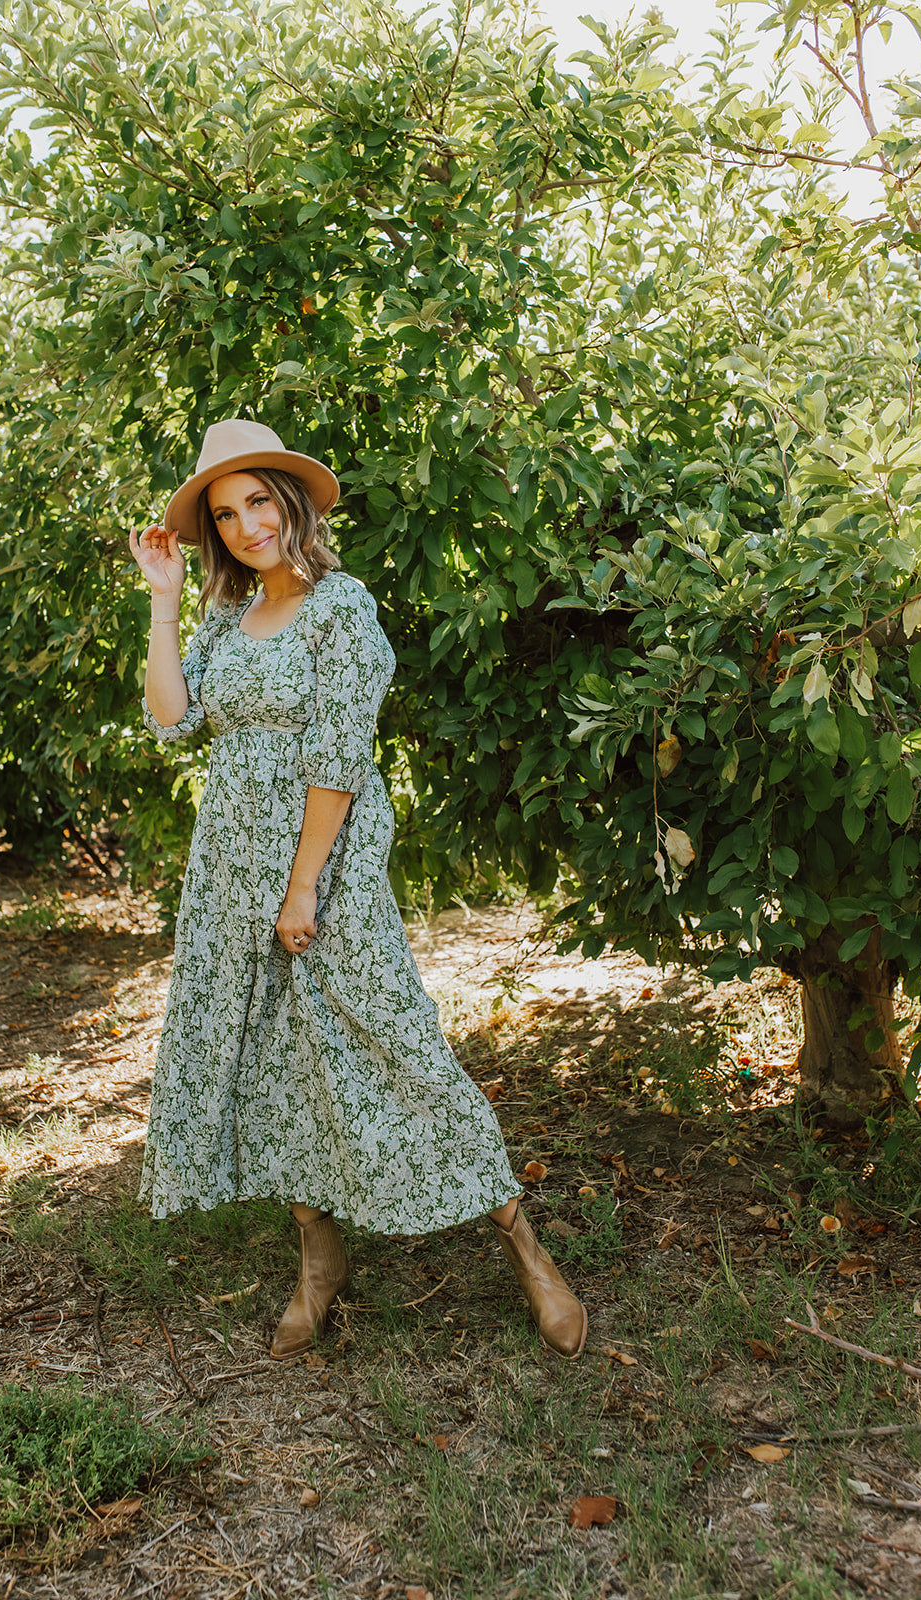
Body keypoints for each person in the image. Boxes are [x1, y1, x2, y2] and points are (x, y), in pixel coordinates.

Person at [128, 418, 587, 1361]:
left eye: (259, 501)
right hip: (228, 871)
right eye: (227, 513)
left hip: (321, 868)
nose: (248, 524)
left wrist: (303, 891)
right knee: (272, 1063)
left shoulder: (342, 608)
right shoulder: (228, 616)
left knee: (396, 1042)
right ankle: (317, 1264)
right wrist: (165, 601)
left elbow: (338, 758)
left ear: (290, 504)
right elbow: (174, 723)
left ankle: (525, 1247)